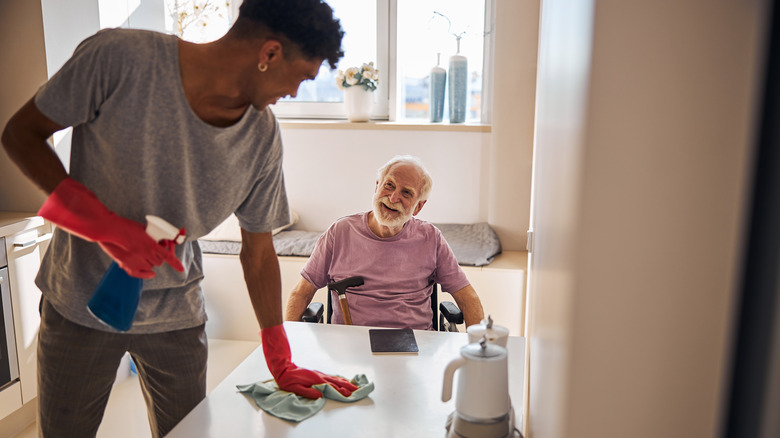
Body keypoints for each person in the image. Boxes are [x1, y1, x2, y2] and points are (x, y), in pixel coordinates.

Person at [0, 0, 359, 436]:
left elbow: (259, 253)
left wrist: (279, 358)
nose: (296, 93)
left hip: (178, 317)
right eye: (302, 76)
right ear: (269, 54)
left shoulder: (261, 138)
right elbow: (21, 134)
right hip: (79, 304)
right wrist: (104, 226)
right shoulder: (119, 58)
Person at [285, 155, 485, 330]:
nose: (393, 197)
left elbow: (468, 298)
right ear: (377, 186)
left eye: (406, 193)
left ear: (418, 207)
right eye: (389, 185)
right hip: (350, 345)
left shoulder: (431, 238)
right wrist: (286, 345)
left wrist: (476, 354)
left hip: (415, 346)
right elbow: (301, 293)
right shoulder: (340, 232)